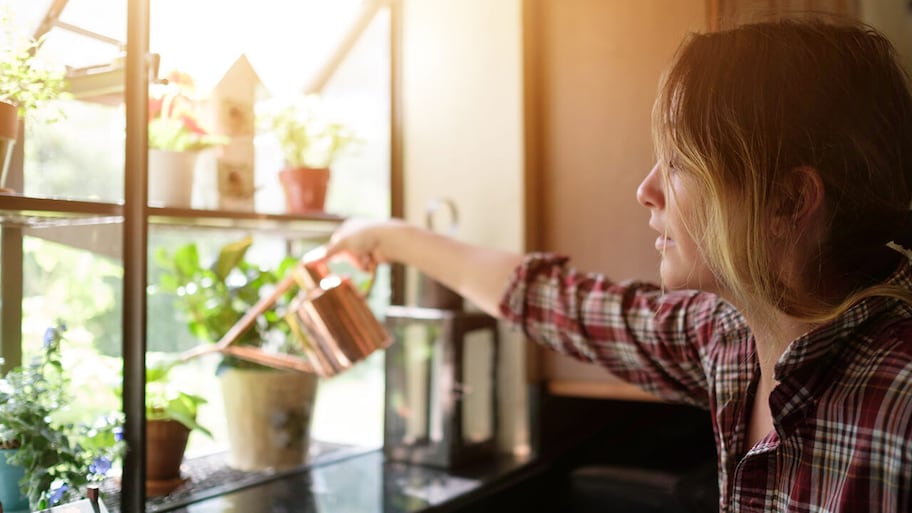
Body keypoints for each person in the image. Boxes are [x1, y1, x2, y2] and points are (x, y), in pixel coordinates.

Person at [323, 17, 912, 513]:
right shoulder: (727, 335)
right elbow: (564, 303)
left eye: (680, 163)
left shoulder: (898, 398)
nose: (646, 190)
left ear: (789, 201)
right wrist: (385, 236)